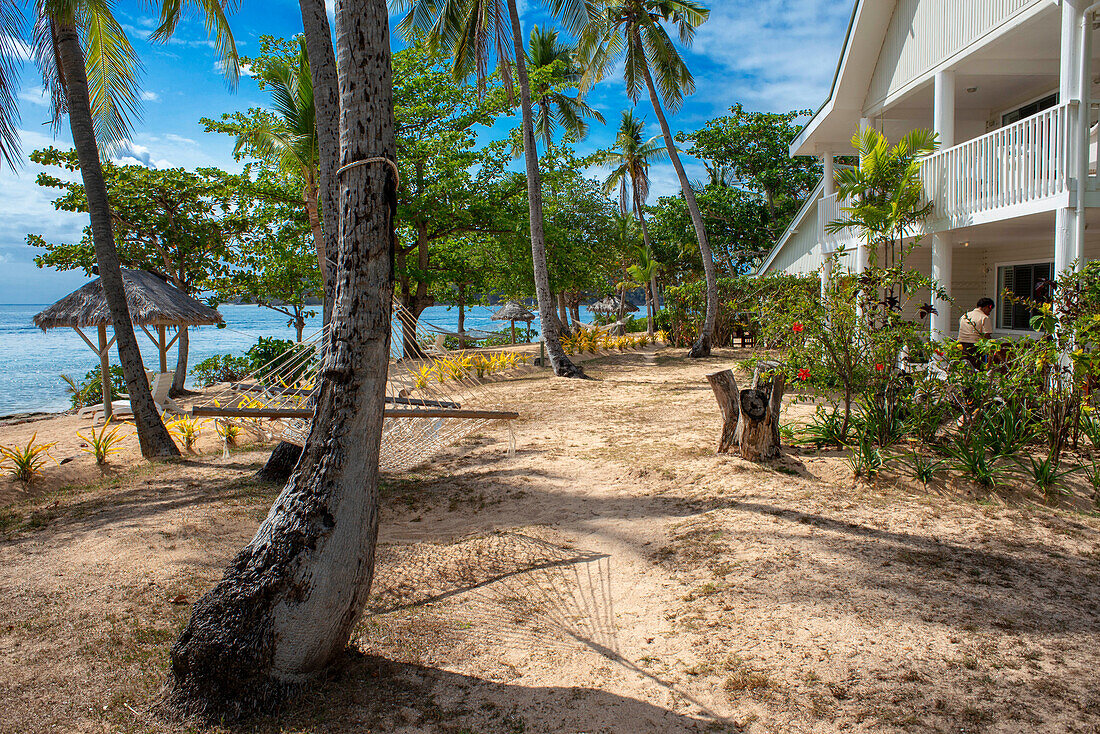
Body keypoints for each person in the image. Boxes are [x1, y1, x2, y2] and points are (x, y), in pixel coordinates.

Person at [958, 297, 995, 368]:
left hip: (962, 347)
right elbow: (986, 335)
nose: (989, 313)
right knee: (977, 370)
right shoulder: (984, 318)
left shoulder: (964, 316)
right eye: (990, 310)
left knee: (964, 369)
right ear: (987, 306)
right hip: (976, 348)